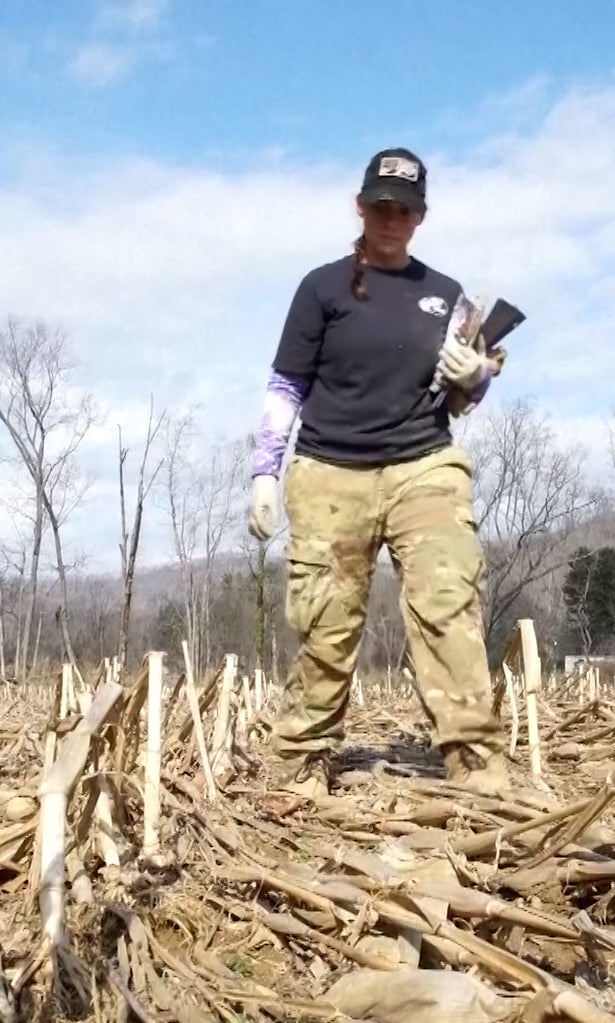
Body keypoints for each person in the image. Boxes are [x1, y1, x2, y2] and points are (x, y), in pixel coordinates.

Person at [246, 146, 510, 799]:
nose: (393, 219)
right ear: (361, 207)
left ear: (421, 217)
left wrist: (474, 378)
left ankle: (475, 760)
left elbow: (459, 396)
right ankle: (303, 758)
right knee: (327, 619)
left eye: (407, 210)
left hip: (424, 462)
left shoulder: (443, 294)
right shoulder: (322, 288)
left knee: (448, 604)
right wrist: (264, 472)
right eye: (382, 207)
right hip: (331, 470)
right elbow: (287, 384)